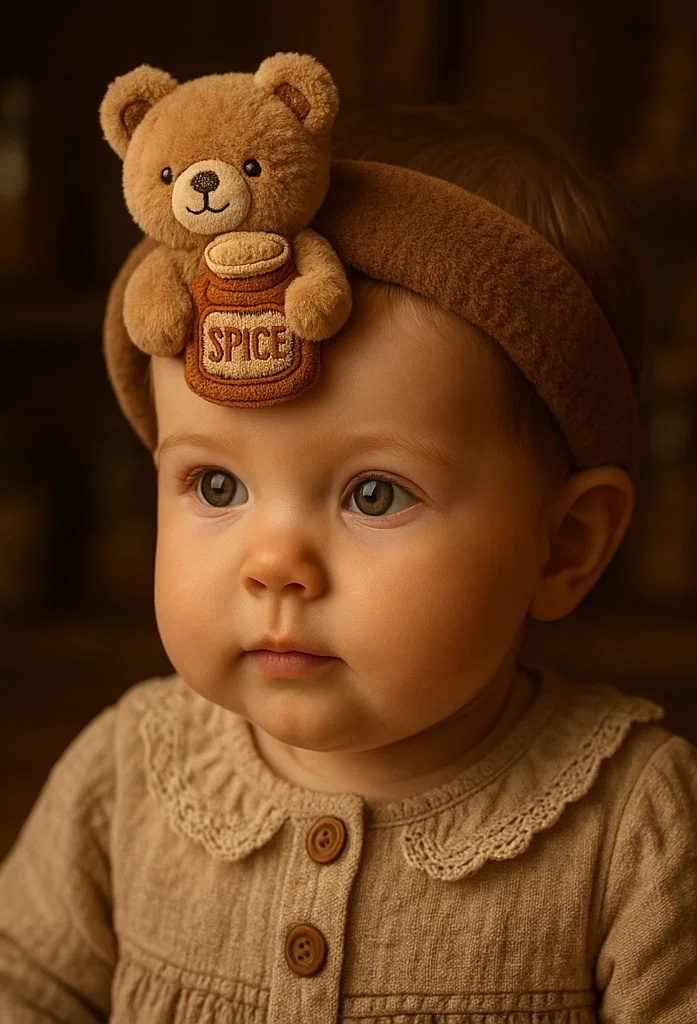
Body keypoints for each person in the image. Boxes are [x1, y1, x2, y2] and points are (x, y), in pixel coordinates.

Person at [1, 101, 695, 1023]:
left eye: (374, 494)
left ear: (563, 545)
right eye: (214, 486)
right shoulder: (128, 771)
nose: (273, 566)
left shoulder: (632, 826)